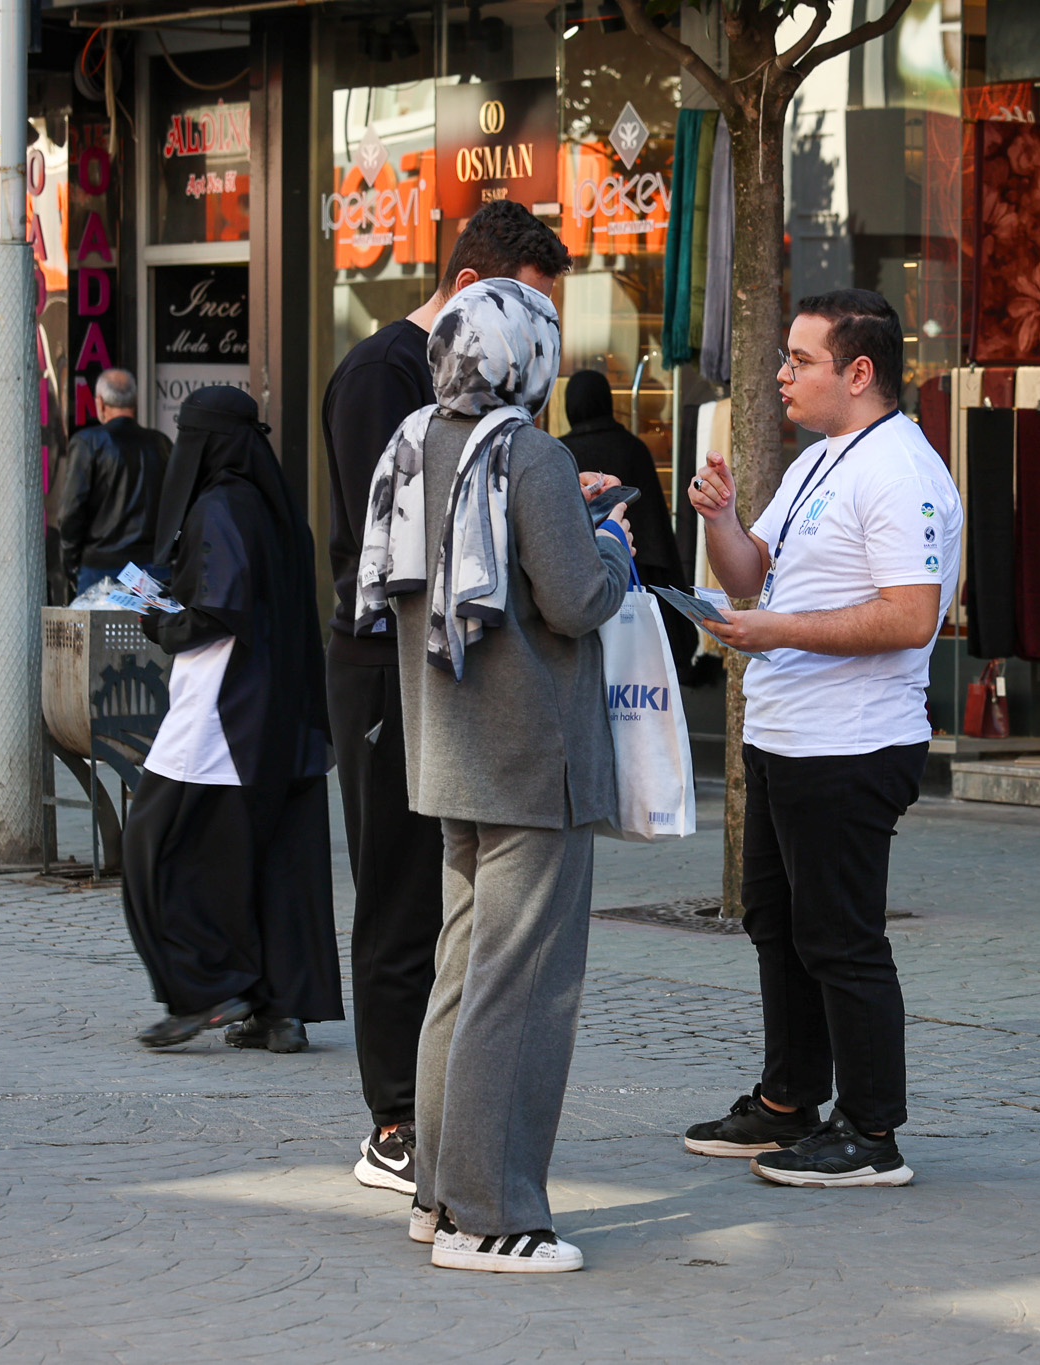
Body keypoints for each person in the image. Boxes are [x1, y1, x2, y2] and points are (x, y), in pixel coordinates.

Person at [356, 278, 632, 1272]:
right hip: (532, 756)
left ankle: (438, 1192)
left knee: (461, 979)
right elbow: (572, 600)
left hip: (450, 752)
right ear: (529, 359)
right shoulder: (532, 453)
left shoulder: (414, 443)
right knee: (521, 992)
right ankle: (492, 1215)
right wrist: (614, 547)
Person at [682, 289, 962, 1189]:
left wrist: (777, 630)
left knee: (841, 937)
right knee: (776, 921)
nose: (781, 376)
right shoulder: (819, 460)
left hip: (851, 743)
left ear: (860, 371)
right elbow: (754, 574)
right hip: (786, 734)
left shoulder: (903, 471)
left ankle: (873, 1132)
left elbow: (909, 616)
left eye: (799, 361)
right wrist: (721, 521)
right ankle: (790, 1097)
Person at [320, 200, 571, 1195]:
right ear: (471, 289)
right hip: (387, 664)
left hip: (447, 664)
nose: (536, 339)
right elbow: (406, 535)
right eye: (525, 310)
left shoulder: (474, 392)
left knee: (450, 899)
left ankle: (440, 1113)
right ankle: (392, 1119)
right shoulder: (386, 374)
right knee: (395, 887)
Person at [119, 386, 342, 1052]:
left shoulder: (219, 507)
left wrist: (162, 624)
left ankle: (205, 985)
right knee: (275, 862)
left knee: (152, 845)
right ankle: (280, 1009)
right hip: (285, 717)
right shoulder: (279, 512)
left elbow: (220, 610)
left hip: (222, 709)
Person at [559, 369, 697, 676]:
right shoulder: (632, 447)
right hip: (638, 574)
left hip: (576, 582)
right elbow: (656, 527)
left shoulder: (560, 454)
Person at [56, 367, 172, 596]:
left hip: (100, 567)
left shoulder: (88, 443)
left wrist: (71, 561)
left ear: (99, 403)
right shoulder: (161, 444)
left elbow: (71, 511)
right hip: (151, 567)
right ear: (135, 401)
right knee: (149, 631)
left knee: (97, 631)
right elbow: (178, 508)